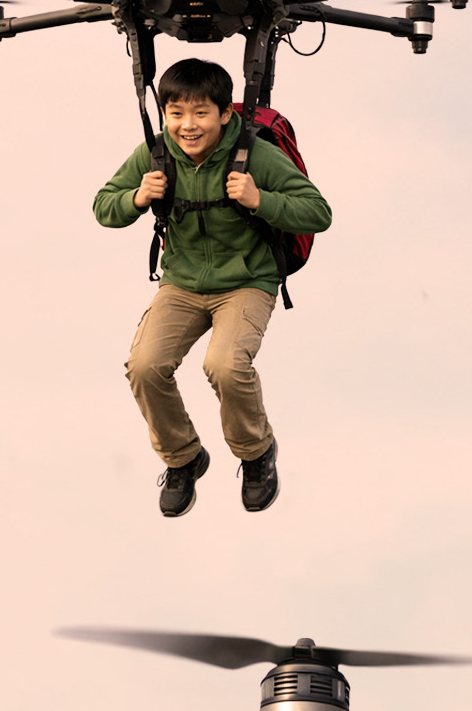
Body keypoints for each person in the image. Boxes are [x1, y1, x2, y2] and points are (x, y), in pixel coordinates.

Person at [91, 54, 331, 518]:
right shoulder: (157, 152)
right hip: (181, 284)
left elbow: (317, 211)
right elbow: (104, 205)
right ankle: (183, 458)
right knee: (144, 365)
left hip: (246, 282)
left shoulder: (254, 154)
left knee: (224, 364)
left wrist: (261, 200)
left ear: (225, 114)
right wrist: (137, 197)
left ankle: (256, 452)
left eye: (201, 113)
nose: (188, 126)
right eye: (176, 114)